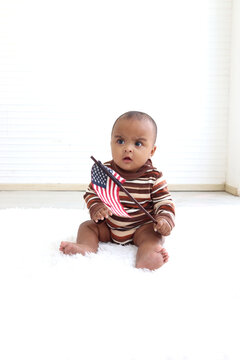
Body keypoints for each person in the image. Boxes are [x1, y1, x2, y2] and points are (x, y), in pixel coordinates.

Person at [60, 111, 175, 270]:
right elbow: (91, 193)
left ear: (152, 151)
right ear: (111, 143)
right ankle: (86, 246)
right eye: (120, 141)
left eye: (138, 144)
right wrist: (97, 207)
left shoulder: (153, 177)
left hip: (140, 228)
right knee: (86, 226)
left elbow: (164, 202)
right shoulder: (105, 171)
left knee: (153, 235)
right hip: (109, 227)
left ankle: (147, 255)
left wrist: (164, 219)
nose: (127, 148)